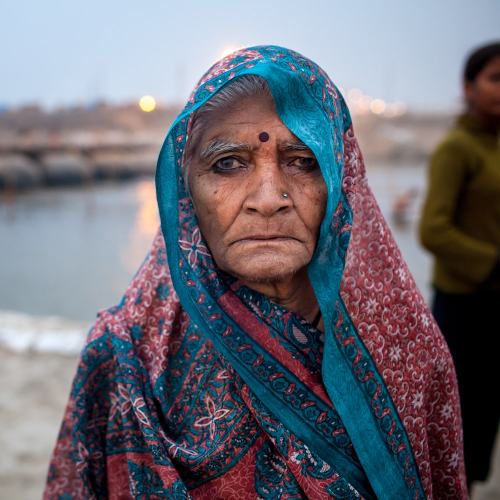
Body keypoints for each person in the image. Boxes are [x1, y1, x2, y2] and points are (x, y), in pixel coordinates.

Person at [45, 45, 466, 499]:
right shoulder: (125, 354)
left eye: (303, 162)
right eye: (228, 164)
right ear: (185, 189)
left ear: (341, 185)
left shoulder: (404, 346)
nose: (268, 199)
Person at [419, 41, 500, 490]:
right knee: (460, 424)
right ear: (468, 86)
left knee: (486, 419)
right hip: (465, 307)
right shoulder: (458, 148)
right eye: (494, 78)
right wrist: (493, 263)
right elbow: (433, 230)